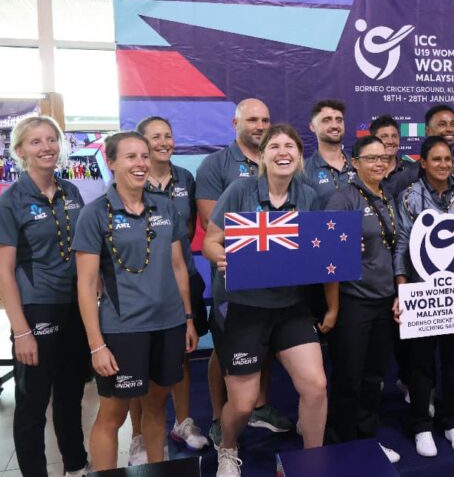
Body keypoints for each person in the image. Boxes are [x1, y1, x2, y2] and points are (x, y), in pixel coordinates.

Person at [203, 124, 327, 477]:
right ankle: (228, 448)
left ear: (299, 157)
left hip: (290, 307)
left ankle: (313, 461)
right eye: (275, 146)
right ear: (262, 155)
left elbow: (318, 248)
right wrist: (221, 256)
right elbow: (211, 241)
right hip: (244, 308)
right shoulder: (240, 190)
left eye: (290, 146)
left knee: (316, 386)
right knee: (243, 405)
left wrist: (345, 248)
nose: (283, 152)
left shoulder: (308, 196)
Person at [73, 131, 198, 471]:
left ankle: (156, 469)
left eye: (144, 156)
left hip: (169, 325)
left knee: (156, 407)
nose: (141, 163)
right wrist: (97, 346)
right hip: (124, 329)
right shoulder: (94, 214)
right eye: (131, 157)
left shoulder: (165, 207)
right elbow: (86, 284)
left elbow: (178, 266)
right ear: (111, 162)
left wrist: (188, 317)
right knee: (112, 416)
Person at [195, 98, 292, 445]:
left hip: (275, 277)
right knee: (225, 348)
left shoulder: (279, 160)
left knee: (263, 341)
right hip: (232, 278)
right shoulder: (216, 164)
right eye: (252, 119)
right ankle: (219, 416)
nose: (260, 126)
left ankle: (259, 407)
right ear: (235, 123)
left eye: (265, 119)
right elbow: (209, 221)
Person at [0, 116, 91, 476]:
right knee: (33, 404)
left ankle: (75, 466)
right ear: (20, 150)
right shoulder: (11, 201)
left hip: (76, 307)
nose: (47, 147)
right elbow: (4, 271)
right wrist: (21, 330)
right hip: (36, 309)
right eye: (36, 141)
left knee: (71, 394)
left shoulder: (72, 192)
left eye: (52, 139)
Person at [122, 116, 209, 464]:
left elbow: (186, 229)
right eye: (155, 137)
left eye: (168, 136)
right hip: (143, 288)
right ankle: (138, 436)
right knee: (138, 365)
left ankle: (183, 423)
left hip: (183, 277)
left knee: (181, 354)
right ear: (141, 144)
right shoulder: (131, 179)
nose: (163, 143)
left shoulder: (185, 178)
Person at [394, 136, 454, 457]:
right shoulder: (409, 196)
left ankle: (452, 422)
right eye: (436, 159)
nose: (444, 165)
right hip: (422, 292)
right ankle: (421, 425)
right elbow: (402, 243)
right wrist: (402, 284)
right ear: (423, 163)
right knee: (419, 363)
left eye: (448, 159)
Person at [323, 135, 400, 463]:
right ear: (354, 163)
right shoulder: (343, 199)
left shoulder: (388, 196)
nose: (379, 163)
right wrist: (333, 308)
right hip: (354, 302)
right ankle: (342, 446)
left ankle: (367, 440)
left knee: (373, 378)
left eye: (383, 157)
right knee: (348, 379)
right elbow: (329, 257)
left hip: (384, 301)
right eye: (371, 158)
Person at [303, 99, 356, 207]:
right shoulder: (303, 170)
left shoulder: (358, 165)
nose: (335, 125)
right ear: (312, 127)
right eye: (327, 120)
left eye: (339, 120)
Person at [369, 115, 413, 197]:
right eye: (384, 136)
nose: (391, 141)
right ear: (373, 140)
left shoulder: (412, 171)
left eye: (394, 136)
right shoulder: (365, 172)